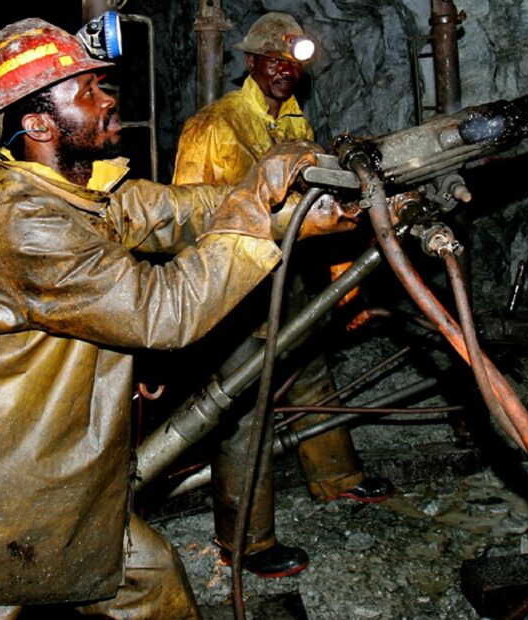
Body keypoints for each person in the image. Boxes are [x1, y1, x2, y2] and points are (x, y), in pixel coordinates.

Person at [0, 18, 354, 617]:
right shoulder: (27, 221)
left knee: (152, 586)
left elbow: (181, 210)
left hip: (53, 474)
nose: (107, 99)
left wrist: (291, 207)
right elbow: (163, 309)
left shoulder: (79, 195)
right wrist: (255, 202)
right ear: (38, 125)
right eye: (87, 92)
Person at [173, 11, 394, 580]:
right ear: (250, 63)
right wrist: (199, 298)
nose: (283, 70)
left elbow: (325, 209)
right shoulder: (214, 125)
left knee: (311, 371)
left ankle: (336, 476)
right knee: (244, 405)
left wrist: (344, 281)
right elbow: (184, 215)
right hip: (237, 282)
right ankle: (245, 541)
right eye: (272, 60)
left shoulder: (297, 125)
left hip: (292, 273)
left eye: (291, 61)